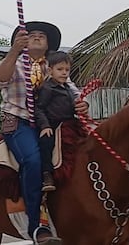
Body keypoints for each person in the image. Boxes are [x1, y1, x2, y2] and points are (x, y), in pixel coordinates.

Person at [0, 21, 88, 244]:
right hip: (17, 120)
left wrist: (81, 103)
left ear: (48, 44)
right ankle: (36, 225)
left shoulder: (55, 66)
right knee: (33, 160)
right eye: (31, 34)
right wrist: (15, 51)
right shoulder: (12, 62)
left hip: (53, 123)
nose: (36, 37)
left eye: (41, 35)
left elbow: (73, 91)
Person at [34, 51, 77, 192]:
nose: (64, 73)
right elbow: (39, 108)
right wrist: (45, 126)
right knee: (46, 143)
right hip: (52, 124)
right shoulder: (47, 88)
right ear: (50, 70)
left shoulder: (69, 89)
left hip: (69, 124)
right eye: (60, 69)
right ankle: (46, 174)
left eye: (67, 70)